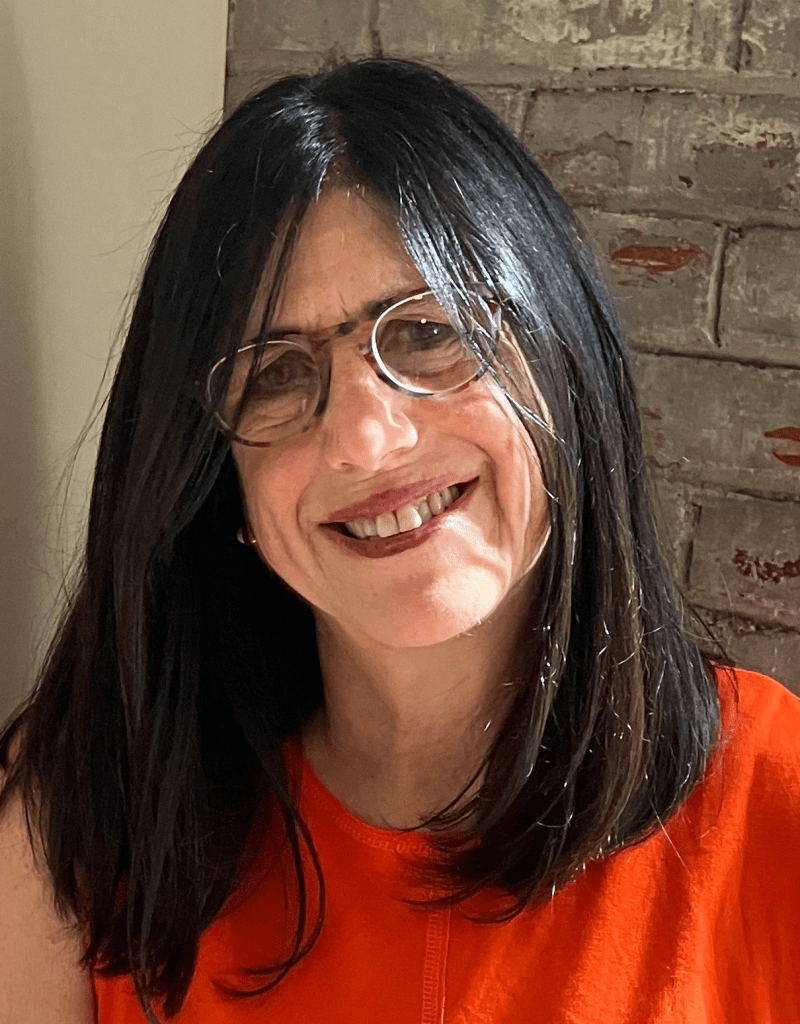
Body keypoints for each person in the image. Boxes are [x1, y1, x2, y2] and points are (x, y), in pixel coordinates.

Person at [1, 57, 798, 1024]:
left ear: (565, 357)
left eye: (427, 331)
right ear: (220, 480)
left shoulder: (775, 802)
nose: (367, 440)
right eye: (278, 373)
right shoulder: (79, 822)